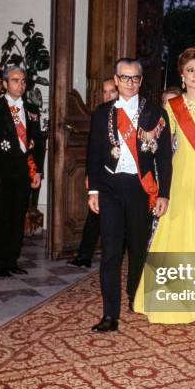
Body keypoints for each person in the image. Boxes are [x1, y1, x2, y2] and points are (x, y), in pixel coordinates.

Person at [134, 47, 195, 325]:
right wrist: (148, 138)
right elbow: (165, 145)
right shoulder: (172, 106)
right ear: (182, 74)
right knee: (178, 232)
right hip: (182, 177)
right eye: (190, 70)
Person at [87, 58, 172, 332]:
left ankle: (135, 294)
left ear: (141, 80)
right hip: (110, 188)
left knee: (137, 248)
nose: (129, 83)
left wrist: (164, 194)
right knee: (111, 252)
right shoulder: (102, 113)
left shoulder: (156, 114)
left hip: (140, 188)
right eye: (124, 78)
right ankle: (110, 314)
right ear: (116, 79)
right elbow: (94, 155)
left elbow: (164, 159)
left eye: (135, 78)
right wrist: (93, 190)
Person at [0, 66, 44, 277]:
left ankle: (12, 259)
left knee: (18, 216)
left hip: (25, 171)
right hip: (2, 171)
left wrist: (38, 171)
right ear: (5, 84)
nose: (20, 84)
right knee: (1, 216)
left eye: (23, 81)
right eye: (15, 80)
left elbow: (39, 143)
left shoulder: (32, 109)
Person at [68, 77, 119, 269]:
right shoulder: (100, 113)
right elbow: (93, 149)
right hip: (101, 174)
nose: (107, 96)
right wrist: (91, 174)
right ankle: (84, 256)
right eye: (104, 92)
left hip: (120, 174)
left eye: (111, 92)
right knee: (94, 215)